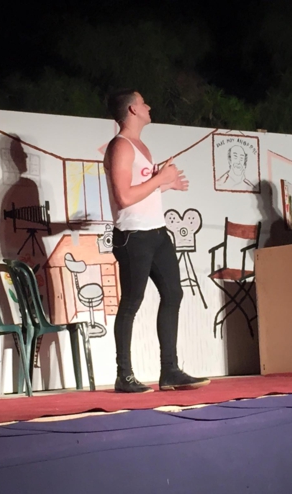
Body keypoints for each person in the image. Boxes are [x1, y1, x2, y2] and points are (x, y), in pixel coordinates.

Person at [104, 89, 210, 393]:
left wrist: (164, 186)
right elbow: (124, 197)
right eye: (143, 102)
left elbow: (140, 191)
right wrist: (159, 179)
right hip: (134, 236)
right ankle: (124, 375)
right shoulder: (121, 146)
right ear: (132, 110)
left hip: (157, 233)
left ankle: (170, 371)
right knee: (132, 303)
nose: (148, 106)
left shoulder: (141, 146)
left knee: (173, 294)